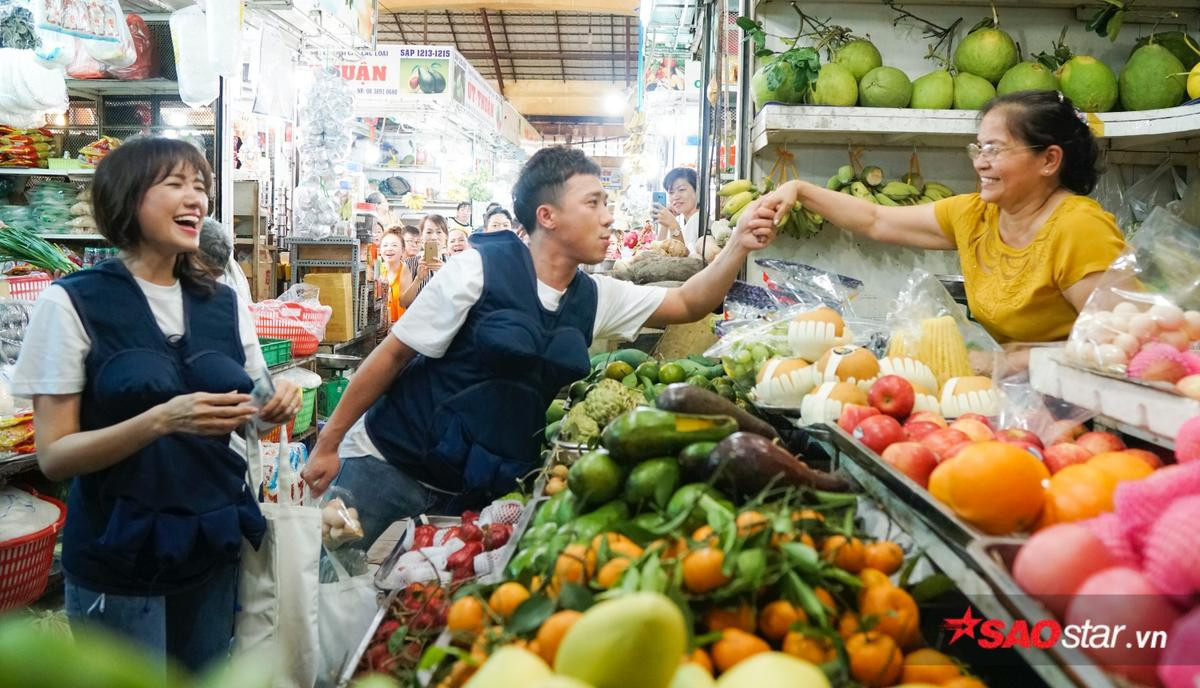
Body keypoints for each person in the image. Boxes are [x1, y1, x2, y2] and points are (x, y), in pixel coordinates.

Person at [301, 145, 777, 547]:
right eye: (593, 203)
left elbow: (688, 301)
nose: (609, 217)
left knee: (426, 610)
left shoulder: (594, 297)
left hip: (477, 494)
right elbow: (393, 355)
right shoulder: (478, 269)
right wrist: (328, 443)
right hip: (388, 463)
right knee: (324, 582)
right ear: (547, 215)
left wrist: (737, 243)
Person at [12, 137, 302, 672]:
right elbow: (54, 456)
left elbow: (253, 412)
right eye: (176, 185)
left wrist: (275, 404)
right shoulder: (74, 301)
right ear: (128, 198)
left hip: (211, 547)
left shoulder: (222, 301)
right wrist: (159, 421)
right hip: (120, 558)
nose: (197, 200)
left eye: (201, 187)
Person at [762, 90, 1125, 367]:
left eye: (995, 150)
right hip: (1017, 393)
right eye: (978, 149)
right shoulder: (976, 215)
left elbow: (1118, 343)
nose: (981, 163)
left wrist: (1010, 361)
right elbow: (877, 220)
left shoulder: (1079, 227)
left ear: (1049, 159)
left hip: (1083, 407)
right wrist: (801, 191)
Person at [398, 213, 448, 308]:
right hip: (419, 321)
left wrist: (446, 273)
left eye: (439, 232)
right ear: (421, 236)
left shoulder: (453, 263)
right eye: (429, 232)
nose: (434, 237)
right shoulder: (410, 264)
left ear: (446, 236)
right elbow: (403, 303)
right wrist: (418, 279)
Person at [655, 166, 701, 255]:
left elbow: (680, 260)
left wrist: (673, 225)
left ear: (697, 191)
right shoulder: (689, 222)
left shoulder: (697, 221)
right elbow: (659, 252)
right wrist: (665, 224)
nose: (675, 196)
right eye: (671, 192)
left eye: (681, 189)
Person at [378, 226, 411, 324]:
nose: (389, 249)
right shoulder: (376, 270)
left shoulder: (408, 271)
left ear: (403, 250)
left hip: (401, 330)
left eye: (394, 245)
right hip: (379, 331)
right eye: (385, 245)